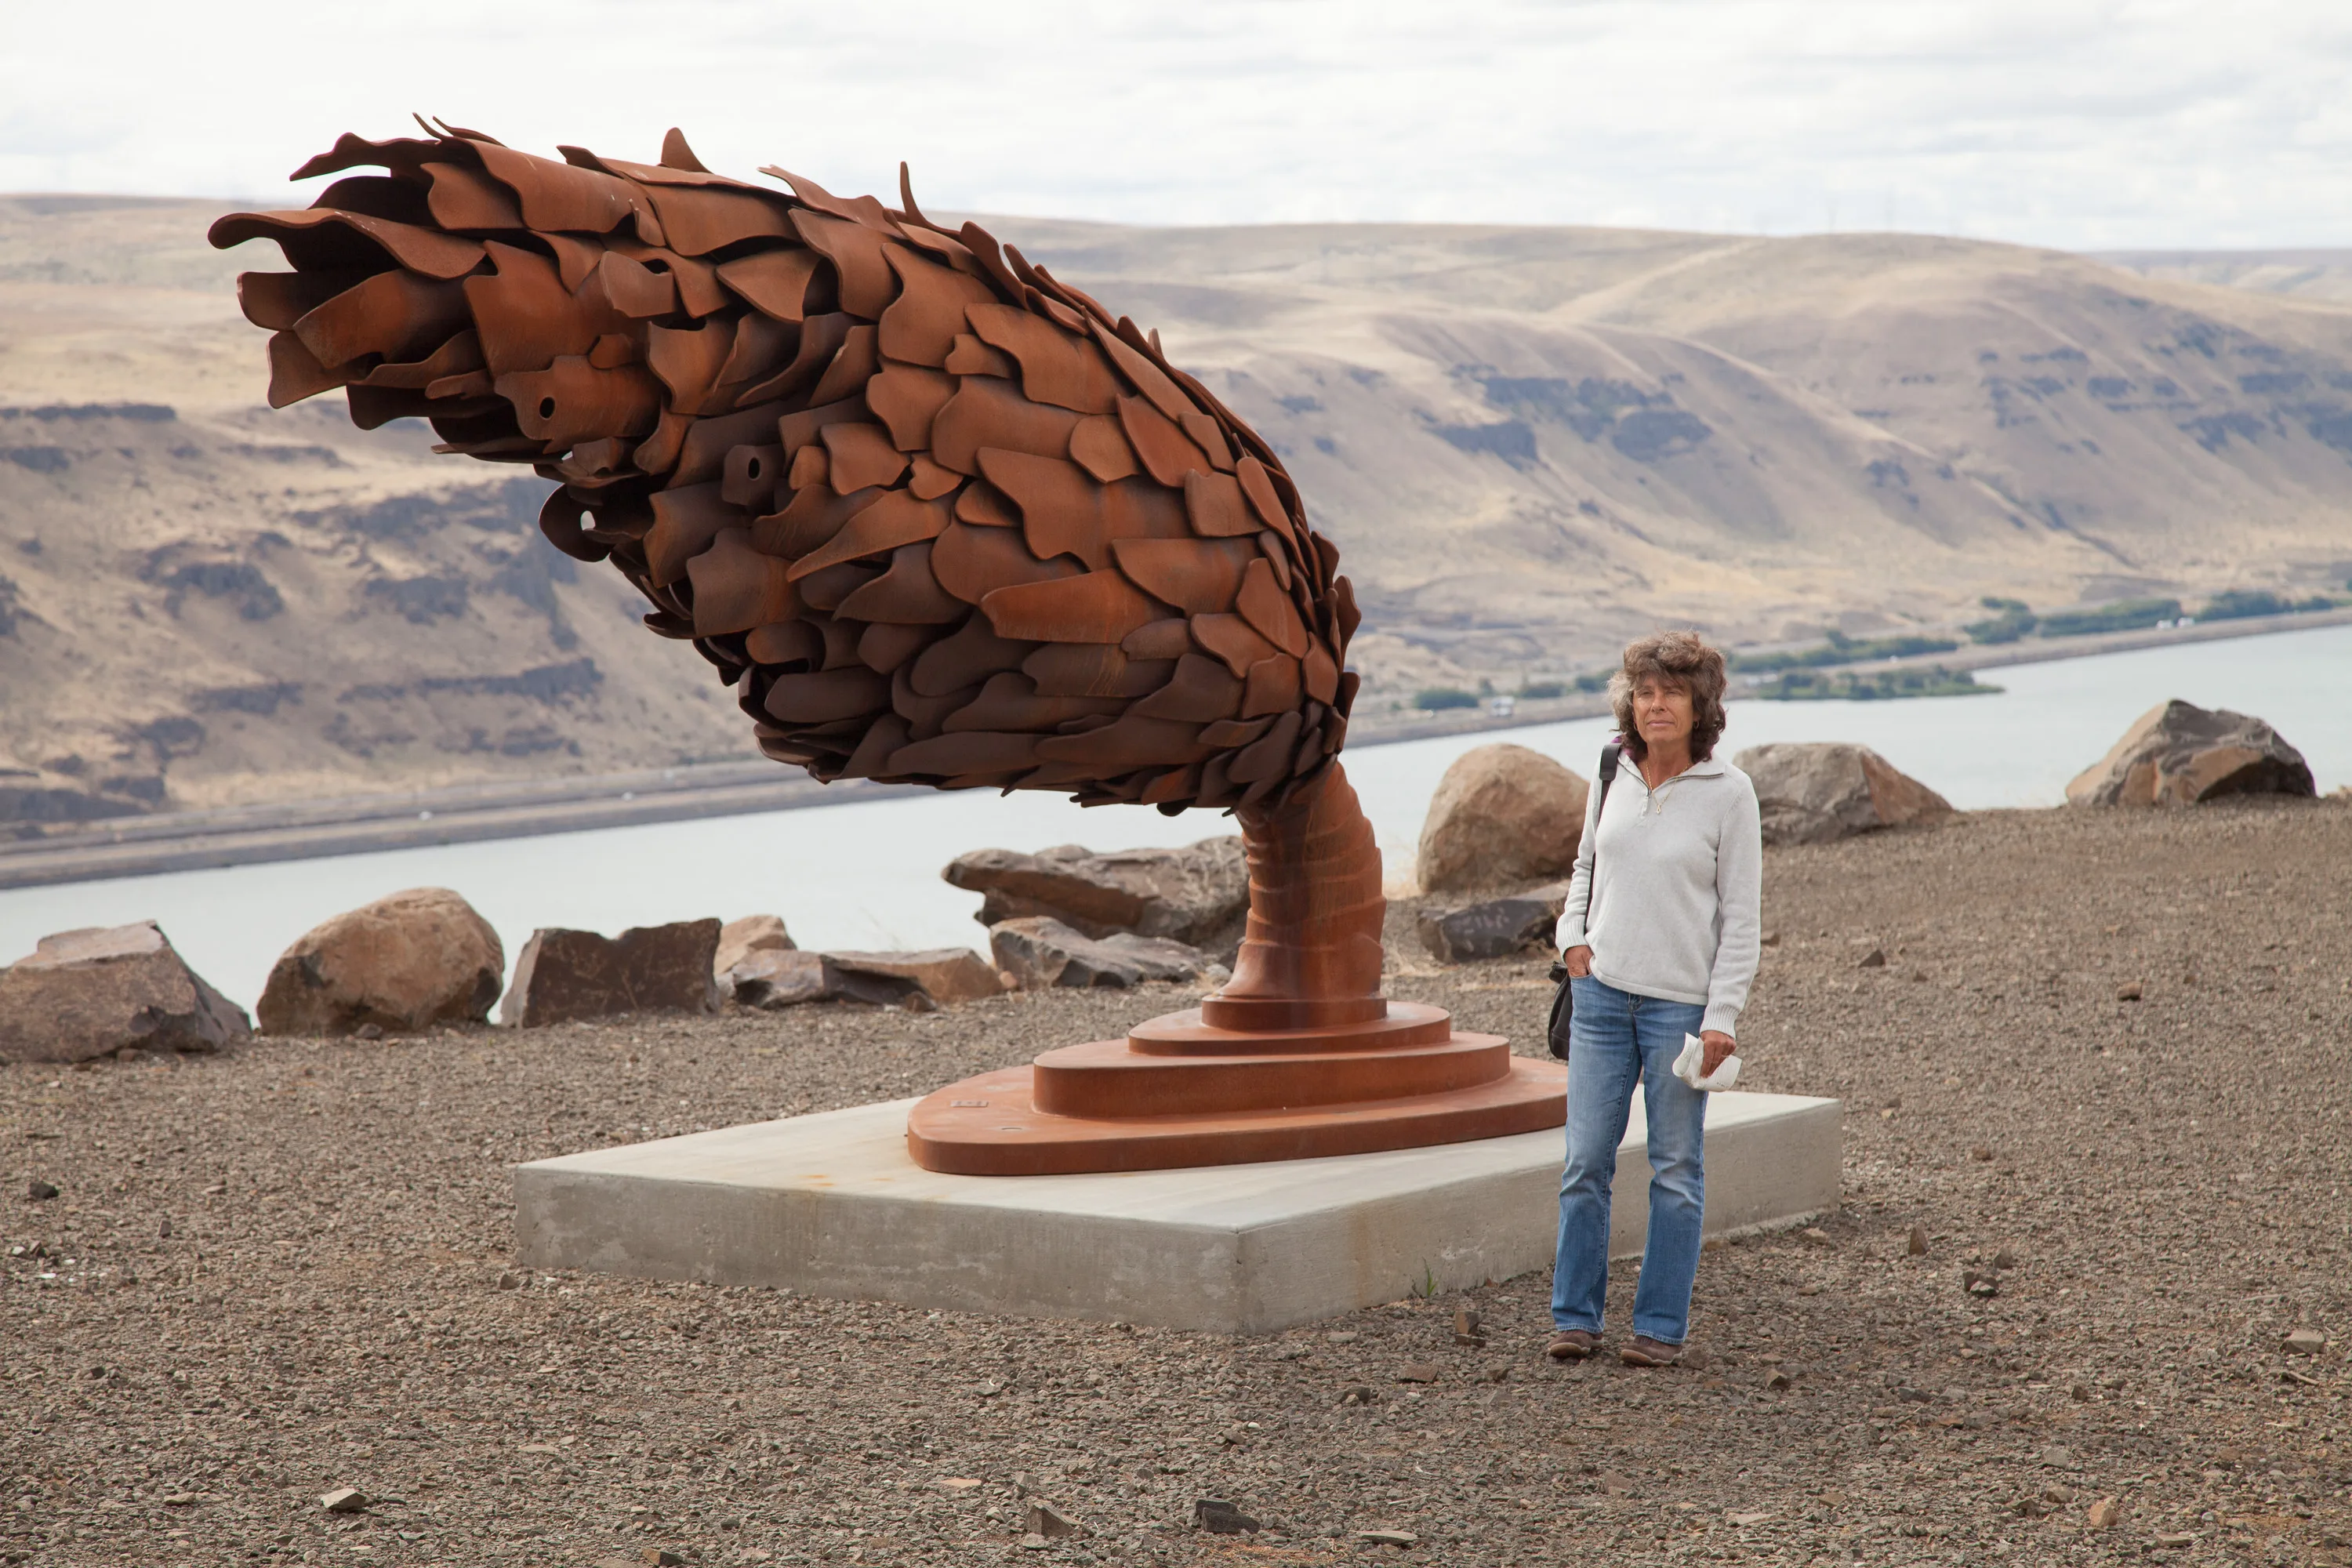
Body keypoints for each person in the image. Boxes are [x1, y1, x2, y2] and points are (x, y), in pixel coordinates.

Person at [1547, 630, 1762, 1367]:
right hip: (1601, 999)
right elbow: (1584, 865)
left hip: (1678, 1010)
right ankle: (1574, 1319)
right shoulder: (1611, 768)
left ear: (1700, 704)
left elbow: (1742, 918)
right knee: (1584, 1164)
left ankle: (1658, 1330)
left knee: (1675, 1172)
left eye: (1672, 692)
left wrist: (1721, 1018)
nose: (1655, 705)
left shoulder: (1729, 795)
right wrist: (1570, 940)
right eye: (1644, 692)